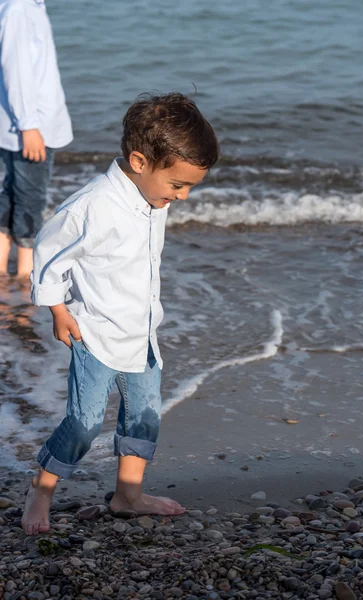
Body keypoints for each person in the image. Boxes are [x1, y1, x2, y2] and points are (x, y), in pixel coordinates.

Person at [21, 92, 219, 535]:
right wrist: (56, 308)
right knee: (85, 420)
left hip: (142, 331)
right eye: (178, 185)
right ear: (140, 161)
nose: (183, 196)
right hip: (97, 332)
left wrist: (167, 193)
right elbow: (50, 253)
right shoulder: (92, 206)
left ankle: (128, 495)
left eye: (189, 187)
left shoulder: (153, 197)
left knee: (145, 415)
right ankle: (42, 488)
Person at [0, 0, 73, 277]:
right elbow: (15, 71)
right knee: (31, 198)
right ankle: (23, 274)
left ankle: (5, 269)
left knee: (14, 193)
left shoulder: (28, 6)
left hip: (22, 123)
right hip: (31, 126)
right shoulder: (19, 8)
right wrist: (29, 126)